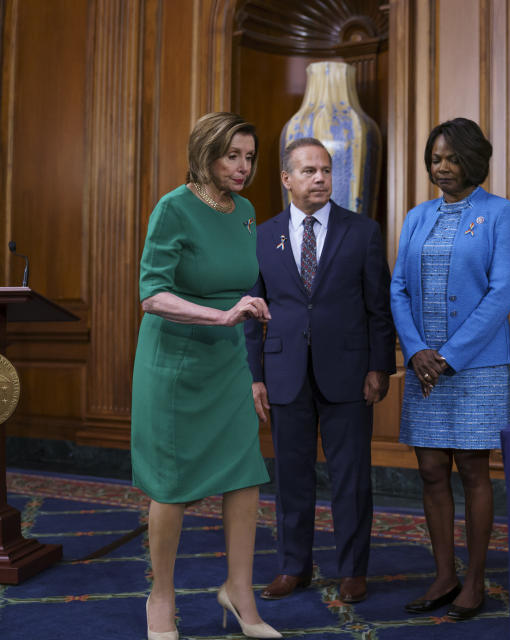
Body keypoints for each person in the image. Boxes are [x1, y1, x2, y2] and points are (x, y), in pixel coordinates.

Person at [132, 112, 281, 640]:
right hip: (175, 364)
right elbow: (152, 295)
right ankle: (161, 596)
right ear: (204, 153)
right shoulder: (173, 208)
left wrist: (248, 307)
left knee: (244, 477)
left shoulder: (244, 211)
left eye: (249, 156)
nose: (243, 168)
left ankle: (239, 593)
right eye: (231, 155)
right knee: (170, 486)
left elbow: (236, 283)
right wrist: (220, 315)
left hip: (226, 363)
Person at [244, 137, 395, 604]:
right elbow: (252, 312)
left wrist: (379, 367)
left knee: (351, 477)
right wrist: (255, 376)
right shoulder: (263, 235)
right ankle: (294, 567)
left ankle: (352, 570)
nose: (320, 178)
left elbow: (378, 308)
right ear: (287, 179)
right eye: (309, 171)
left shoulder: (362, 231)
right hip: (285, 372)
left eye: (326, 170)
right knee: (291, 478)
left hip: (349, 372)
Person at [390, 118, 510, 621]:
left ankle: (474, 579)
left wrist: (450, 355)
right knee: (429, 470)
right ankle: (443, 573)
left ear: (474, 159)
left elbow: (500, 294)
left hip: (477, 367)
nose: (441, 167)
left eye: (451, 158)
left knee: (472, 469)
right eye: (435, 158)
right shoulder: (418, 216)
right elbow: (398, 287)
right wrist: (418, 349)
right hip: (424, 366)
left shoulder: (498, 213)